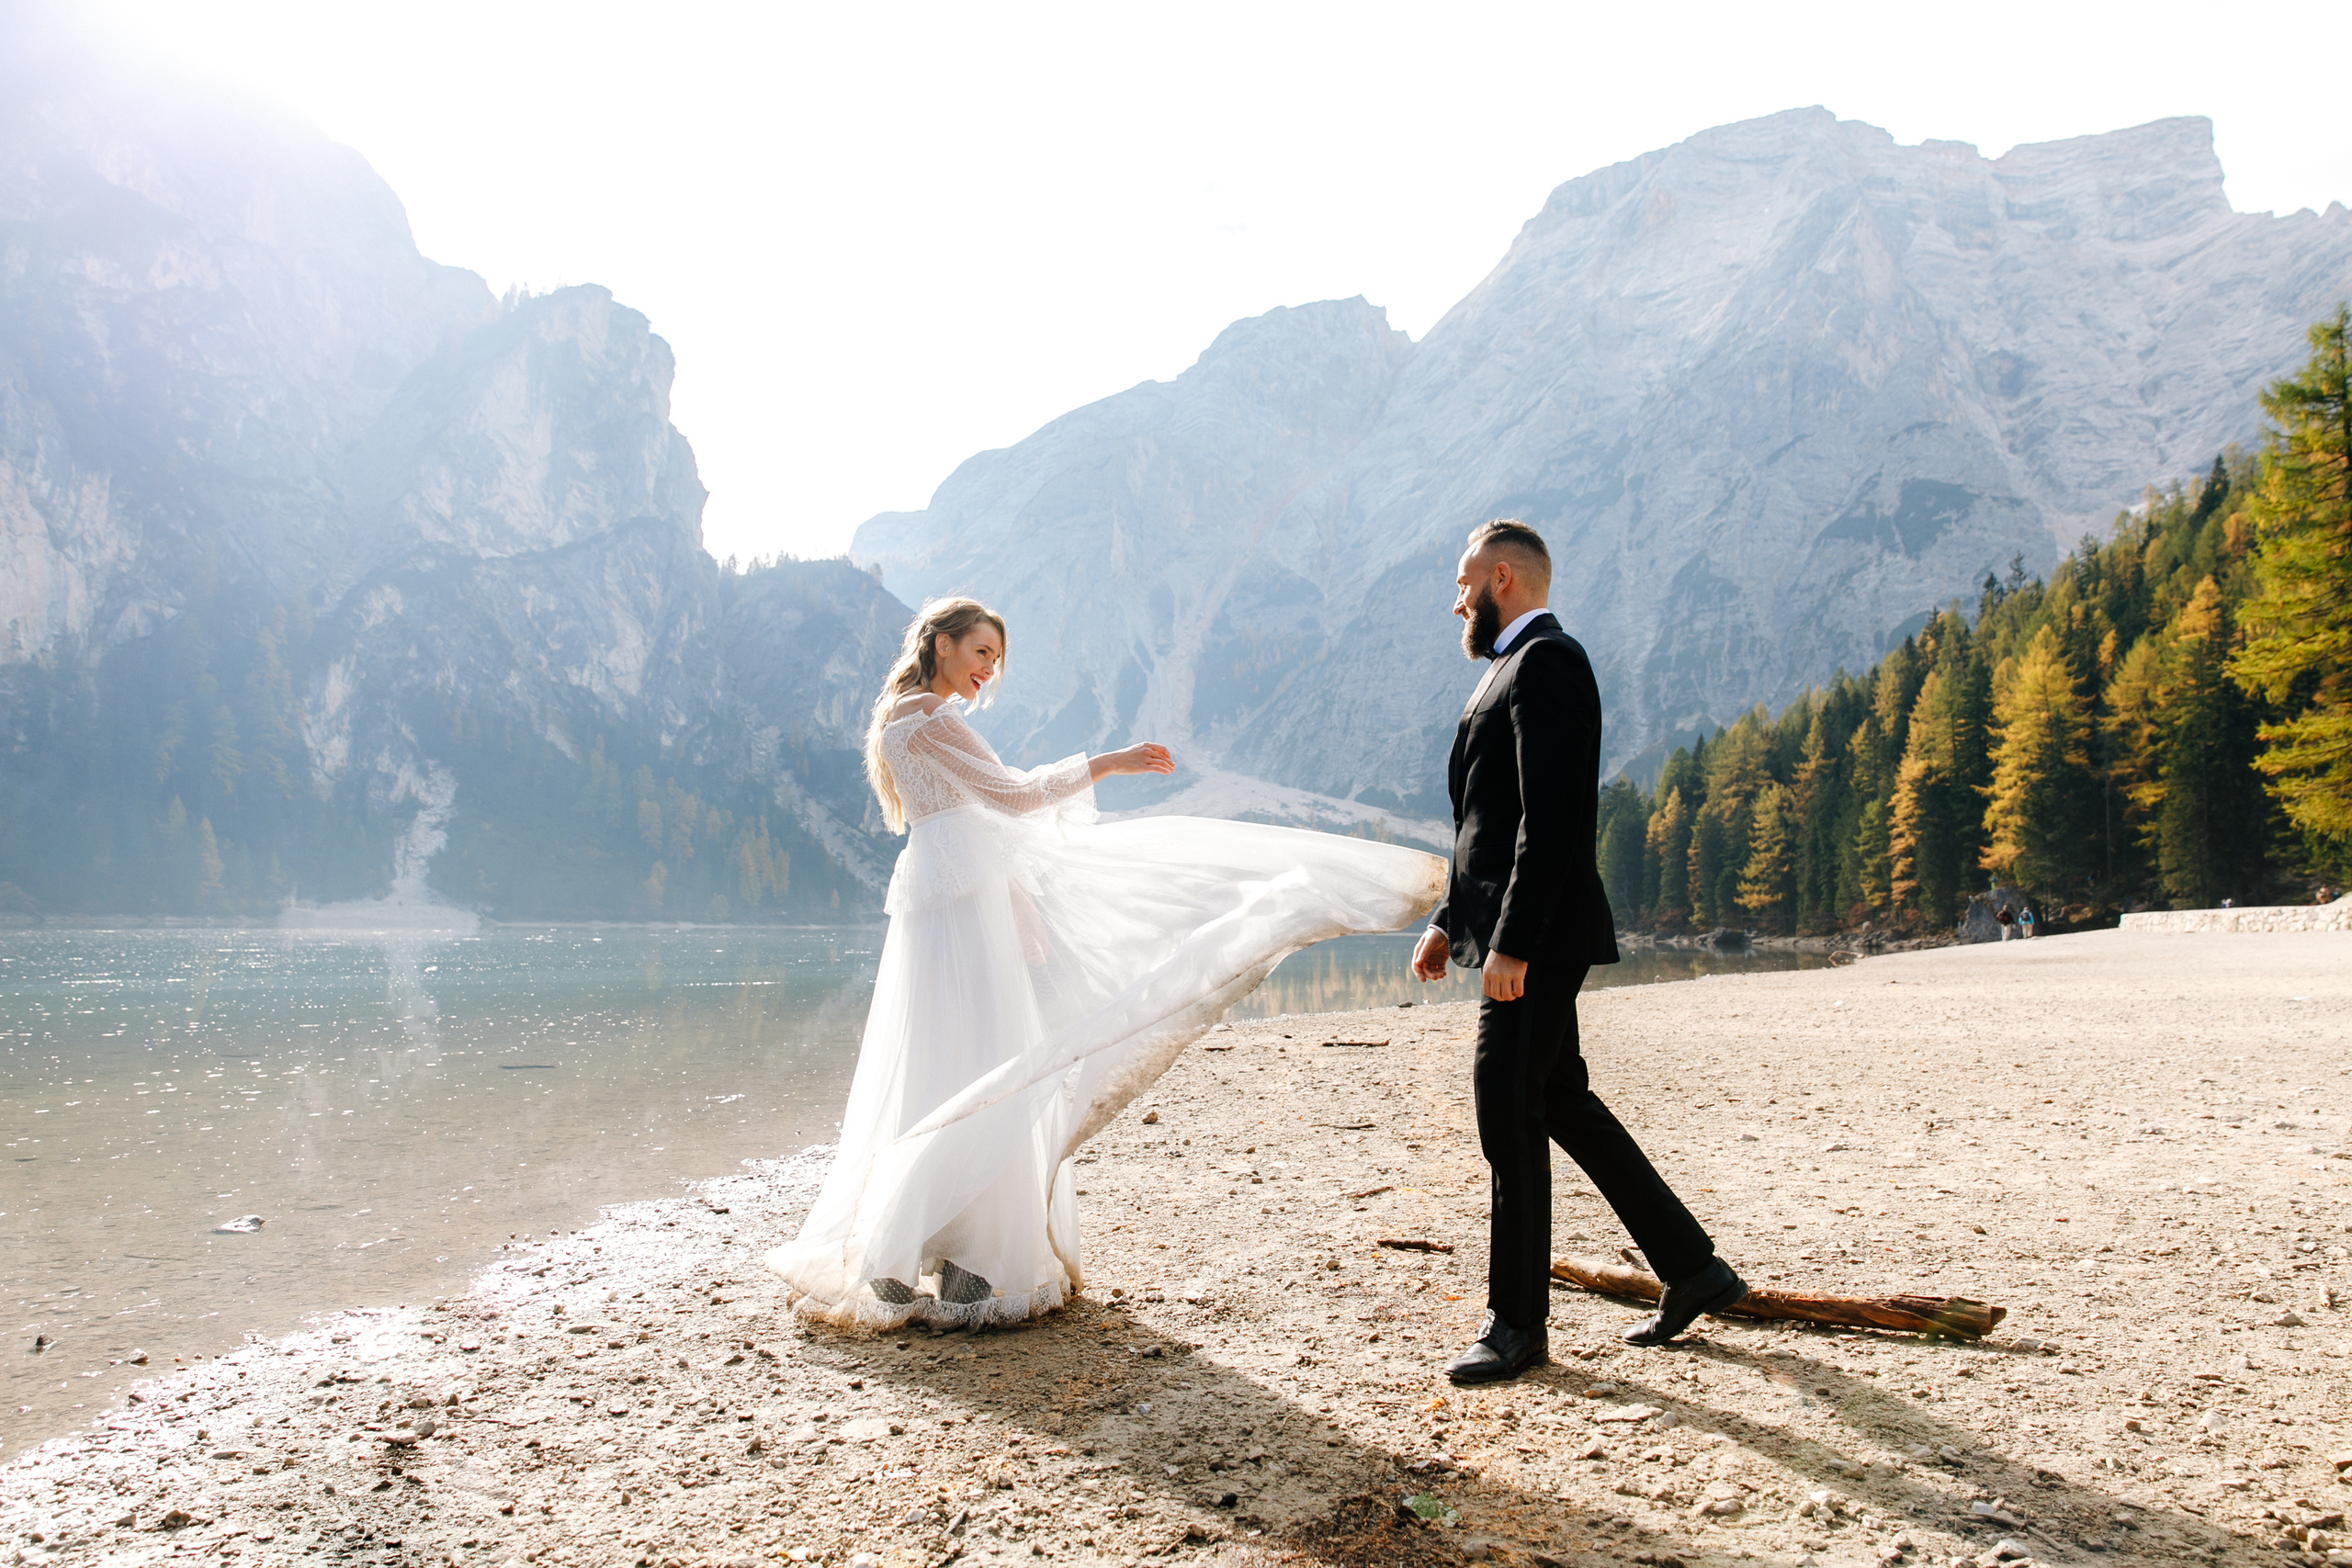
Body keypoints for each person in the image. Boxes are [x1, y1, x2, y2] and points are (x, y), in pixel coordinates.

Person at [768, 596, 1446, 1327]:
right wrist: (1110, 763)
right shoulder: (934, 719)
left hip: (940, 902)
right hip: (964, 911)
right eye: (980, 653)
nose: (988, 670)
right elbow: (1015, 798)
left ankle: (905, 1253)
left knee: (937, 1061)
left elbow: (972, 824)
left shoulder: (900, 720)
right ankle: (965, 1254)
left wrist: (1020, 903)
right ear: (940, 644)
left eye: (996, 658)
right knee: (989, 1057)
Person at [1413, 521, 1744, 1382]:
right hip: (1513, 929)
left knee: (1505, 1110)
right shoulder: (1507, 671)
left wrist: (1514, 942)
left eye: (1463, 583)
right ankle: (1693, 1267)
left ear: (1504, 577)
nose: (1456, 600)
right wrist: (1452, 919)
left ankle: (1517, 1325)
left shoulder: (1550, 662)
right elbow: (1486, 823)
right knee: (1560, 1100)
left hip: (1541, 936)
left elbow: (1554, 823)